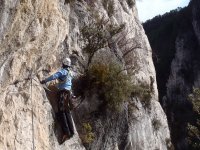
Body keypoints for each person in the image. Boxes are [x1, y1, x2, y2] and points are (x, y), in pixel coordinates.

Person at [40, 57, 74, 143]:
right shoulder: (70, 73)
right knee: (67, 113)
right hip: (68, 94)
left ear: (63, 64)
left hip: (63, 94)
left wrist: (44, 80)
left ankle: (66, 133)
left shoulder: (63, 71)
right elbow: (69, 84)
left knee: (62, 112)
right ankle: (72, 132)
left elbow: (54, 76)